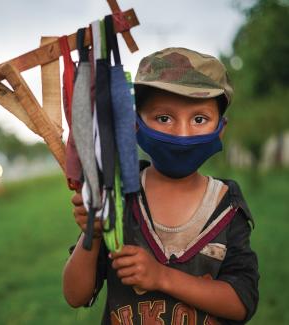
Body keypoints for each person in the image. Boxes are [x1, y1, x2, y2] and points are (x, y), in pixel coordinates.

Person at [63, 47, 259, 324]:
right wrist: (92, 236)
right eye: (163, 118)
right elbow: (76, 295)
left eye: (199, 119)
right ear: (134, 124)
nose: (182, 134)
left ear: (221, 128)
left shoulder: (227, 206)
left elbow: (242, 302)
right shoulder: (117, 198)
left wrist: (162, 277)